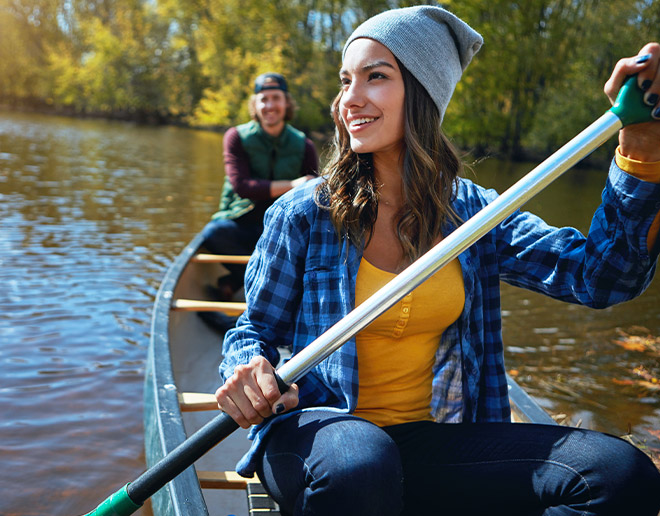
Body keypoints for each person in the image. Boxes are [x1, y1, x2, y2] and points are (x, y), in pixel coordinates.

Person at [215, 6, 660, 516]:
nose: (348, 100)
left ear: (424, 95)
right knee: (363, 461)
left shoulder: (476, 215)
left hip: (428, 443)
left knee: (620, 475)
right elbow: (252, 330)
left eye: (375, 77)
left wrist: (642, 143)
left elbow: (603, 277)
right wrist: (249, 370)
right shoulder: (303, 214)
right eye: (346, 81)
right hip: (318, 435)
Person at [201, 72, 318, 304]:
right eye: (264, 99)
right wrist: (294, 185)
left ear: (286, 103)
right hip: (242, 223)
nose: (270, 105)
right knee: (214, 233)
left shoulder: (305, 145)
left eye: (276, 98)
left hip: (281, 228)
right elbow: (242, 187)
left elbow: (313, 195)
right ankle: (247, 279)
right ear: (255, 104)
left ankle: (236, 283)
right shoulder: (236, 137)